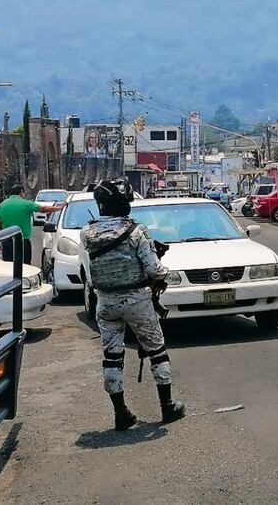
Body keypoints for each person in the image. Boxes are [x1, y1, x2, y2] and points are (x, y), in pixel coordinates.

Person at [79, 177, 185, 431]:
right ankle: (167, 407)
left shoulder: (87, 232)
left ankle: (121, 413)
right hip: (137, 300)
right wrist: (163, 275)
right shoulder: (137, 230)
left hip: (104, 302)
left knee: (112, 358)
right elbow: (154, 268)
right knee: (157, 350)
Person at [0, 184, 62, 264]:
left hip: (7, 240)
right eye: (24, 193)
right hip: (23, 240)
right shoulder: (26, 204)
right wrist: (59, 208)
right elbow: (44, 209)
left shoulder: (2, 205)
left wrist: (0, 238)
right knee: (25, 265)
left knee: (9, 264)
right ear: (21, 192)